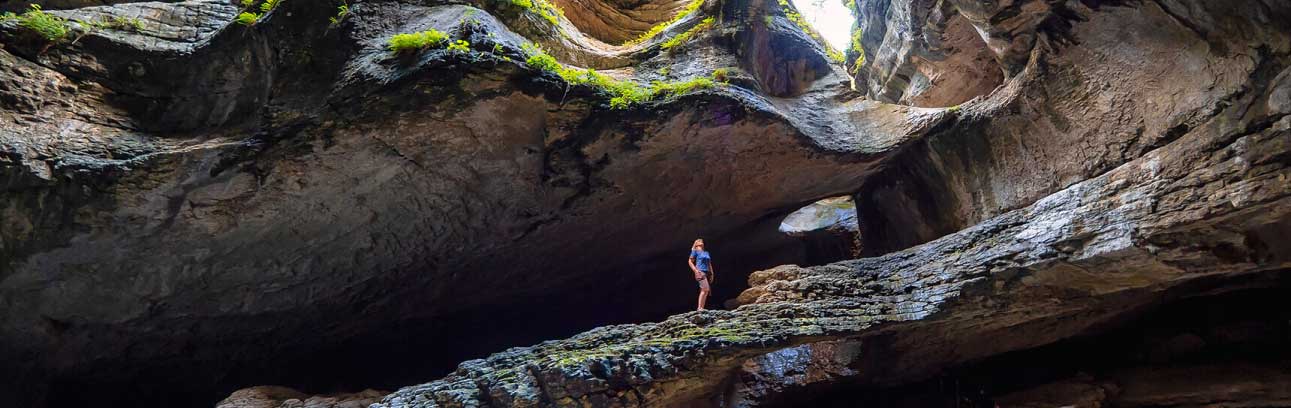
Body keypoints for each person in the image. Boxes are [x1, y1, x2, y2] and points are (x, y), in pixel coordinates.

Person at [688, 238, 715, 311]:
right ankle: (699, 308)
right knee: (705, 289)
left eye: (702, 241)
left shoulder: (706, 252)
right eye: (699, 241)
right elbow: (690, 261)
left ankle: (701, 308)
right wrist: (695, 271)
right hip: (700, 271)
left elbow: (709, 264)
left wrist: (712, 273)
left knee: (705, 290)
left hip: (707, 272)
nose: (701, 242)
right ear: (696, 244)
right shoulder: (695, 251)